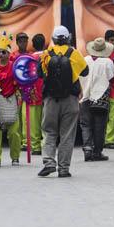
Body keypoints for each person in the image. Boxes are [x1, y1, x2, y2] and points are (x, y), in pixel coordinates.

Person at [38, 25, 88, 178]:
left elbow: (40, 74)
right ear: (68, 38)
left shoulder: (46, 54)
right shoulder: (74, 53)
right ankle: (64, 169)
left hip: (51, 100)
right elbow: (85, 71)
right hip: (70, 100)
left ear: (53, 39)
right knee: (67, 135)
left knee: (49, 132)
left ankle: (49, 163)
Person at [0, 33, 21, 167]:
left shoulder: (14, 66)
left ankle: (15, 157)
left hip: (12, 100)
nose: (0, 54)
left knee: (14, 132)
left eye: (3, 52)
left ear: (8, 53)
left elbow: (19, 82)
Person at [79, 36, 114, 162]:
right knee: (99, 126)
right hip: (101, 98)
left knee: (86, 125)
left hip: (85, 97)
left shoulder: (85, 60)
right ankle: (97, 152)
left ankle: (87, 148)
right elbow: (113, 79)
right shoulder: (108, 62)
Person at [24, 33, 45, 155]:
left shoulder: (29, 58)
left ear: (33, 44)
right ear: (44, 44)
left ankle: (36, 146)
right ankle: (45, 144)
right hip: (47, 92)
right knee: (46, 120)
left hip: (33, 93)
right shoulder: (48, 56)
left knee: (33, 121)